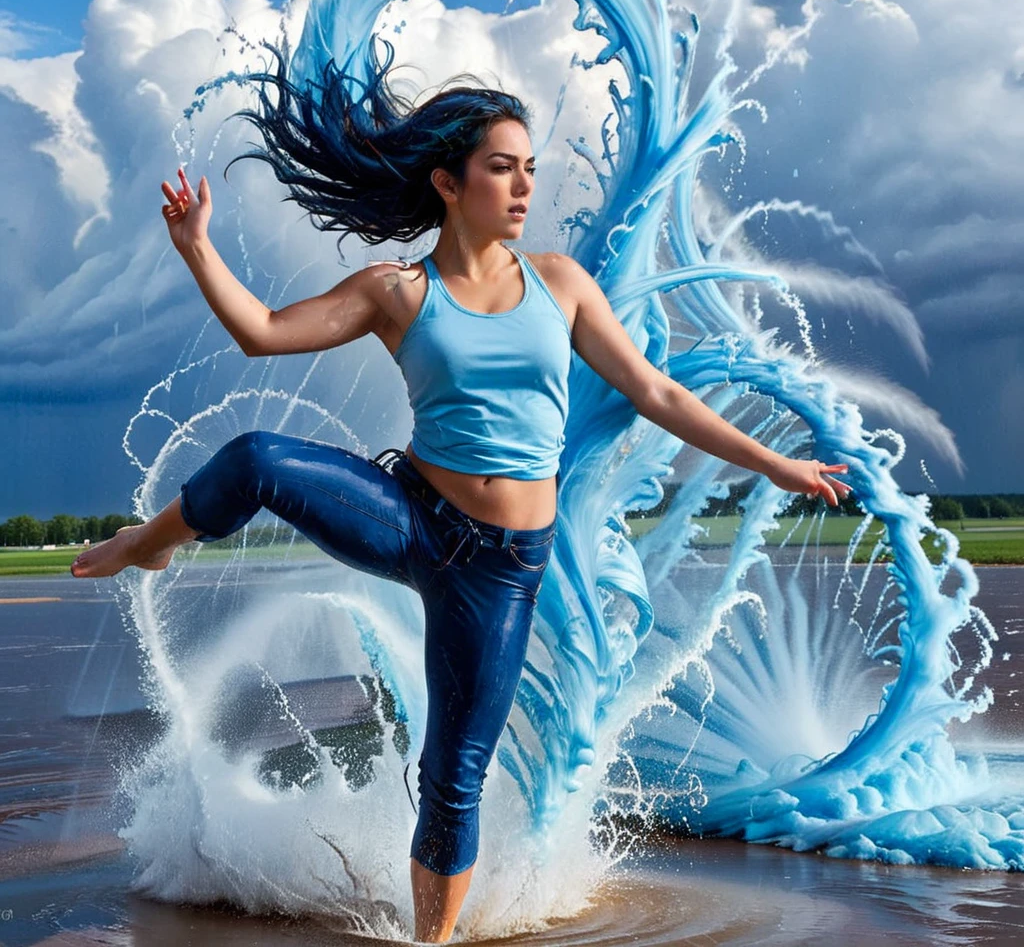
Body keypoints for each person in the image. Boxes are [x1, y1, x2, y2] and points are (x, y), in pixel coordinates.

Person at [70, 46, 851, 942]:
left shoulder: (559, 285)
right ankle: (151, 541)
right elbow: (263, 334)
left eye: (529, 170)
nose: (523, 187)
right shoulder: (399, 291)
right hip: (410, 518)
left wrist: (777, 465)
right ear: (448, 182)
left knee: (454, 773)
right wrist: (198, 249)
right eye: (501, 169)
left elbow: (658, 394)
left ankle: (429, 942)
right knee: (254, 459)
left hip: (502, 566)